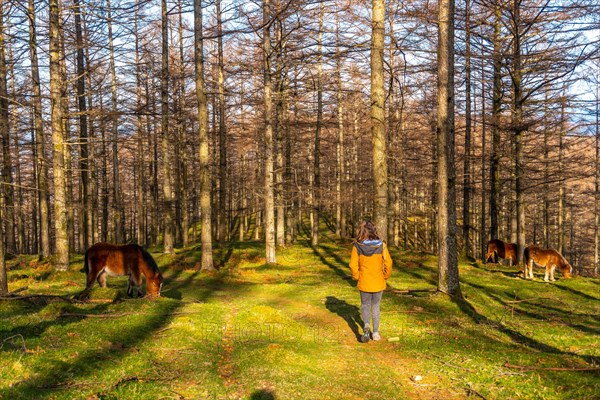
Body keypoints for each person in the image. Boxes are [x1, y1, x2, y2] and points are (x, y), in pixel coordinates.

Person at [349, 220, 393, 343]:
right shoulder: (381, 245)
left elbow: (353, 265)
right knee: (375, 306)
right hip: (378, 281)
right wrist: (385, 275)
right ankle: (376, 333)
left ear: (361, 231)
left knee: (365, 305)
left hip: (364, 281)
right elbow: (388, 263)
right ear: (374, 230)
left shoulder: (357, 246)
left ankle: (366, 326)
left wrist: (357, 276)